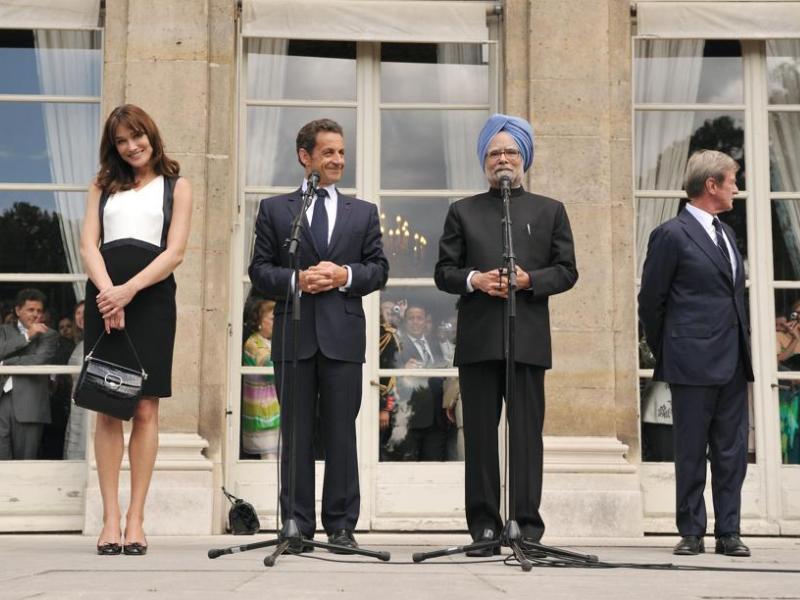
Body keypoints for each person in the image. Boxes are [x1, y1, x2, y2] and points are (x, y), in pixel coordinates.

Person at [434, 113, 578, 555]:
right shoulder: (463, 210)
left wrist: (527, 280)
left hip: (528, 339)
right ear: (484, 160)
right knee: (479, 438)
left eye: (511, 151)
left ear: (524, 158)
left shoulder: (549, 210)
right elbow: (444, 272)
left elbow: (567, 271)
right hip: (478, 341)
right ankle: (483, 529)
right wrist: (475, 280)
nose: (503, 159)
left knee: (526, 438)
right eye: (495, 152)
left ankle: (527, 527)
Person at [248, 118, 388, 553]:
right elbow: (259, 271)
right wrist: (296, 281)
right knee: (297, 430)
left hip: (343, 338)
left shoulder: (362, 212)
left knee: (341, 433)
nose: (338, 160)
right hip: (294, 336)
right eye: (329, 152)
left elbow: (379, 269)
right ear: (304, 156)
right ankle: (296, 524)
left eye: (342, 152)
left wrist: (344, 274)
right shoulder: (275, 210)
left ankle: (342, 526)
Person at [80, 104, 193, 556]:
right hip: (105, 297)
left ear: (151, 134)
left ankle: (136, 520)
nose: (131, 147)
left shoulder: (177, 186)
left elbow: (176, 252)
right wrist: (108, 293)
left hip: (150, 300)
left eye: (137, 137)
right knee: (108, 406)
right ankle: (109, 519)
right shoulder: (102, 185)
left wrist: (128, 292)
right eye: (122, 141)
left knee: (145, 409)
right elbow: (89, 243)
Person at [639, 150, 753, 557]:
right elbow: (651, 301)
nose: (736, 189)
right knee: (690, 451)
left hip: (733, 361)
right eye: (732, 181)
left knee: (731, 451)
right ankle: (691, 531)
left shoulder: (728, 234)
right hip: (691, 361)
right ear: (711, 185)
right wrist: (668, 350)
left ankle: (729, 532)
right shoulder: (671, 234)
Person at [0, 288, 58, 460]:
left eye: (39, 311)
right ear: (18, 311)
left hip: (30, 405)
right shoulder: (3, 331)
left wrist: (5, 363)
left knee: (25, 465)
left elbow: (38, 360)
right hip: (2, 400)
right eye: (30, 310)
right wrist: (26, 337)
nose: (35, 315)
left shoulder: (49, 335)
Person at [394, 304, 449, 461]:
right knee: (408, 470)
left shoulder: (436, 343)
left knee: (435, 469)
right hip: (411, 417)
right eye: (411, 318)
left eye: (419, 318)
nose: (415, 322)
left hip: (438, 418)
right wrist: (403, 370)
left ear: (426, 321)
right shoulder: (398, 345)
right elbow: (388, 375)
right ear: (405, 322)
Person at [241, 299, 280, 459]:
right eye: (272, 319)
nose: (276, 323)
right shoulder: (254, 343)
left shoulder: (271, 342)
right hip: (263, 411)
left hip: (275, 409)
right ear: (259, 321)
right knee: (269, 458)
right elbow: (269, 365)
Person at [63, 300, 87, 460]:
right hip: (77, 403)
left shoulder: (99, 340)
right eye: (78, 313)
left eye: (85, 312)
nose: (81, 316)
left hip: (90, 405)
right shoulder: (81, 343)